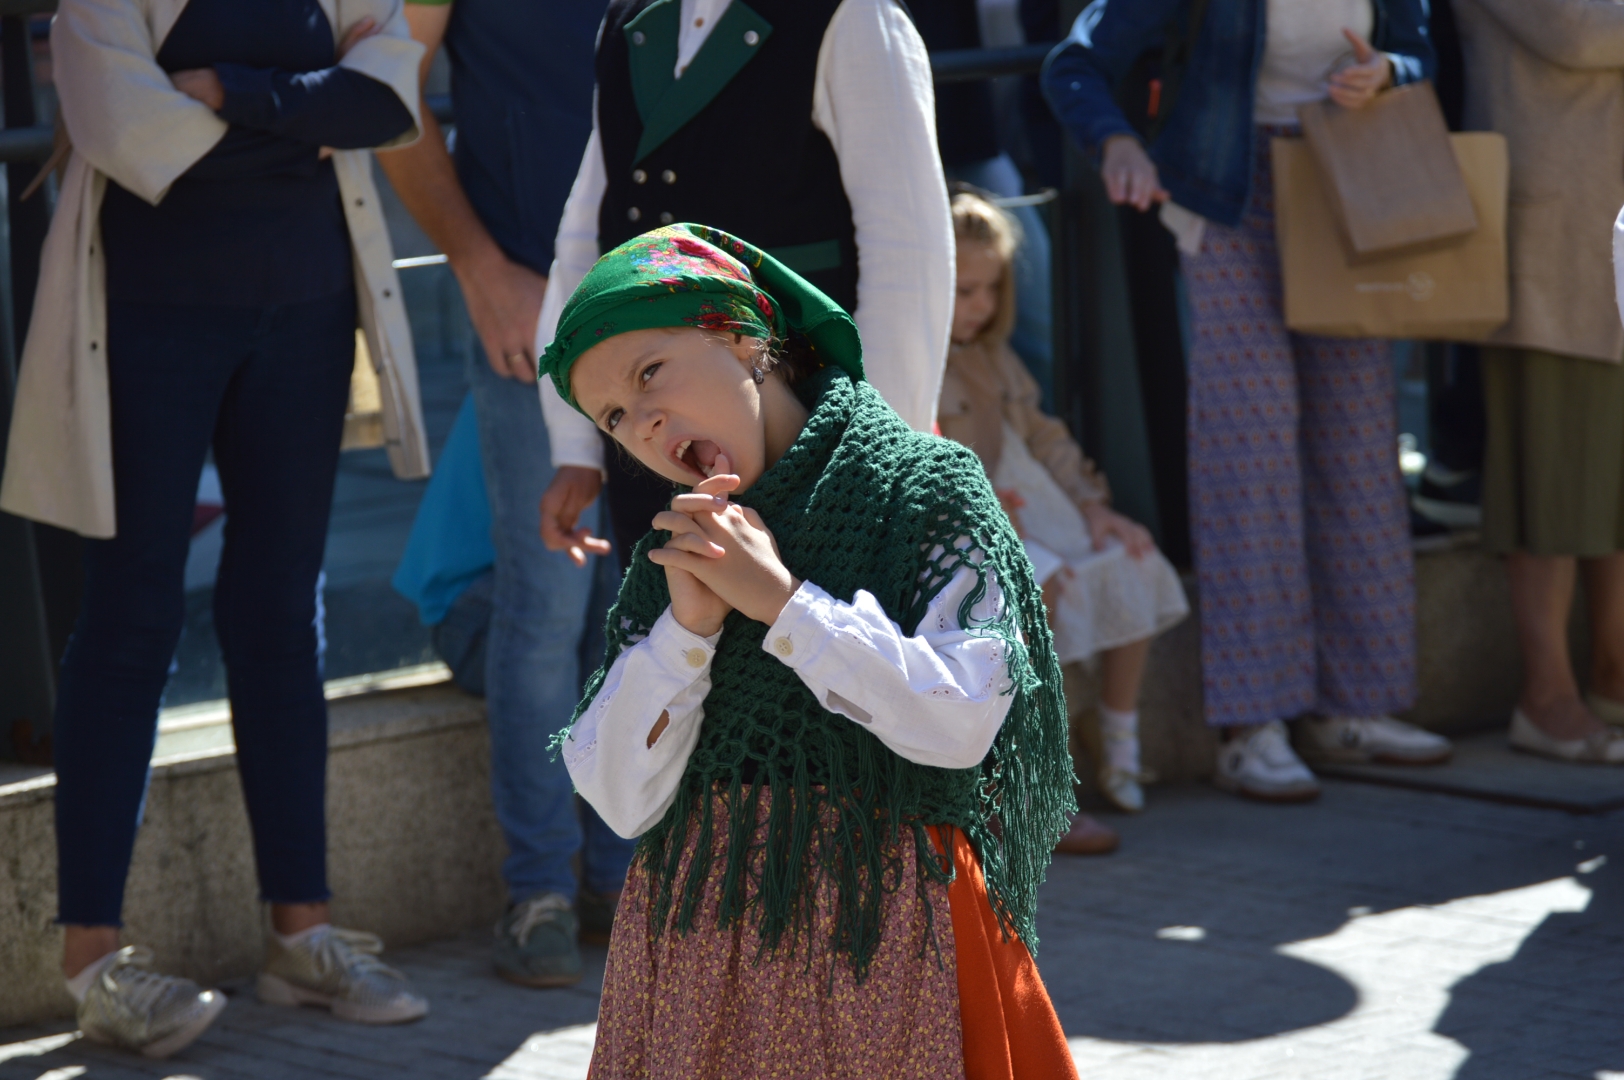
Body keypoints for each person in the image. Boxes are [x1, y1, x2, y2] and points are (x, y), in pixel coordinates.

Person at [548, 223, 1079, 1080]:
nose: (642, 421)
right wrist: (687, 636)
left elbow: (964, 721)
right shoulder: (670, 558)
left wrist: (788, 608)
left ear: (745, 337)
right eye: (612, 414)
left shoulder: (922, 487)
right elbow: (618, 799)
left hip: (892, 933)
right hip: (702, 957)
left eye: (650, 372)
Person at [0, 0, 430, 1057]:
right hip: (147, 319)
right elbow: (128, 136)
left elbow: (388, 95)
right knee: (131, 614)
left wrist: (235, 93)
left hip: (308, 308)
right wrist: (301, 119)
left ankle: (303, 937)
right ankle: (94, 965)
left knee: (283, 609)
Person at [1042, 0, 1454, 802]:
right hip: (1226, 194)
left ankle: (1353, 707)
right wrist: (1118, 140)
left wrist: (1389, 73)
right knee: (1249, 448)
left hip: (1353, 176)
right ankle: (1252, 726)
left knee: (1361, 447)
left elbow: (1420, 52)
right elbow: (1073, 63)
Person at [375, 0, 639, 988]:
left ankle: (621, 876)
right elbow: (384, 80)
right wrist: (480, 269)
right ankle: (539, 885)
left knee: (646, 601)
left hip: (671, 299)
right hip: (529, 299)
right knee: (548, 602)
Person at [534, 0, 954, 574]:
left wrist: (882, 465)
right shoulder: (628, 16)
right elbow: (589, 236)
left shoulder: (854, 13)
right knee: (675, 647)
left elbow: (908, 251)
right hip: (663, 459)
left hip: (809, 441)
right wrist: (575, 444)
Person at [941, 190, 1188, 834]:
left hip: (1036, 505)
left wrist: (1094, 506)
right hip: (979, 520)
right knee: (1034, 592)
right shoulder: (920, 360)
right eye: (965, 290)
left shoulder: (995, 356)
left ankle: (1116, 731)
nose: (982, 306)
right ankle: (1039, 772)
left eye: (991, 290)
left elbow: (1046, 436)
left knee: (1131, 561)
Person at [1455, 0, 1624, 764]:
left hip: (1602, 231)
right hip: (1552, 232)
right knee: (1548, 481)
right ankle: (1546, 696)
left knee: (1607, 483)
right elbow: (1580, 29)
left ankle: (1610, 679)